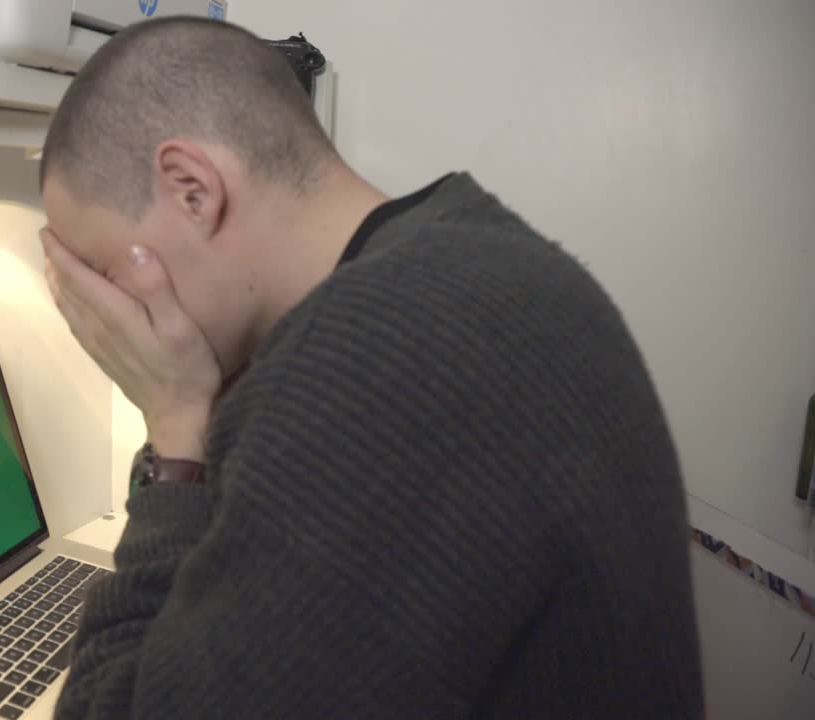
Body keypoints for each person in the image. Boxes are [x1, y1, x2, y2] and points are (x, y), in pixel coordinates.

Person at [37, 17, 703, 720]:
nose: (111, 319)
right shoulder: (473, 254)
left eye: (107, 274)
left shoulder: (369, 366)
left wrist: (174, 433)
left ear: (192, 188)